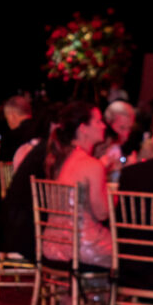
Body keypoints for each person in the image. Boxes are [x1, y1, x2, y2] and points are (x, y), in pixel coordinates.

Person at [43, 101, 111, 267]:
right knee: (134, 252)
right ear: (83, 128)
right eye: (98, 121)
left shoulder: (59, 160)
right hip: (83, 248)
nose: (103, 126)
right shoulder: (92, 165)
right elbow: (102, 213)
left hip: (51, 244)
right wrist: (113, 196)